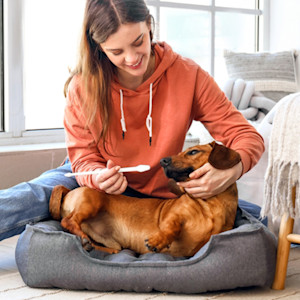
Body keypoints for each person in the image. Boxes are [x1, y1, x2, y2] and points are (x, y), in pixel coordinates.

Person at [0, 0, 265, 242]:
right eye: (116, 51)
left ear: (150, 26)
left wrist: (232, 170)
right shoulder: (82, 87)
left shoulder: (189, 75)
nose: (132, 58)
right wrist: (96, 176)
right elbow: (82, 158)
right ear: (99, 48)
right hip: (97, 179)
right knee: (34, 195)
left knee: (260, 221)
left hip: (165, 190)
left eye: (138, 42)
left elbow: (246, 135)